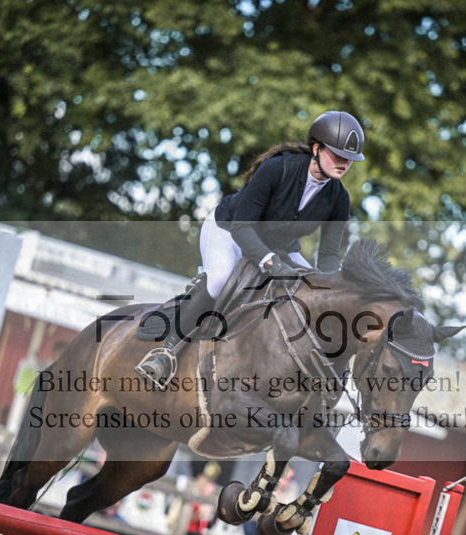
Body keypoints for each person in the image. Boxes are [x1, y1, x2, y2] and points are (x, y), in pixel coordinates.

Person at [135, 110, 366, 387]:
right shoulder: (277, 168)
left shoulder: (339, 199)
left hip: (280, 247)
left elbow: (328, 256)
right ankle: (165, 352)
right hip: (229, 231)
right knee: (220, 280)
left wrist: (335, 287)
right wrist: (269, 263)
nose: (344, 164)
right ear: (316, 148)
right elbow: (242, 227)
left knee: (311, 293)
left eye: (350, 159)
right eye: (338, 155)